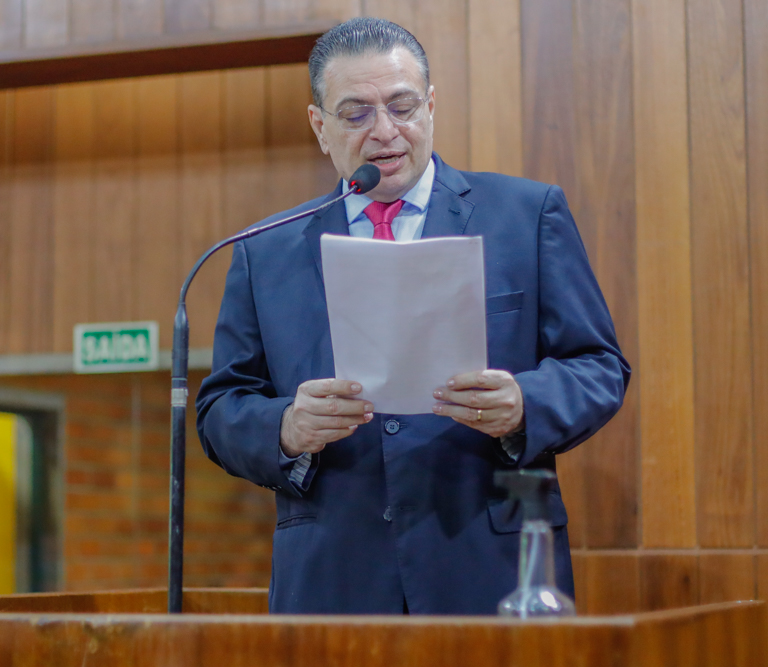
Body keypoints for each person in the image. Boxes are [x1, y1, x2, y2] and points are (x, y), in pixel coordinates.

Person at [195, 17, 630, 615]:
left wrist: (524, 403)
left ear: (430, 106)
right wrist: (288, 427)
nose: (385, 132)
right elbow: (222, 407)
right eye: (356, 114)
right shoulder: (267, 247)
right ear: (319, 127)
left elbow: (599, 367)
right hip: (331, 580)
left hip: (489, 568)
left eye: (401, 107)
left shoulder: (525, 215)